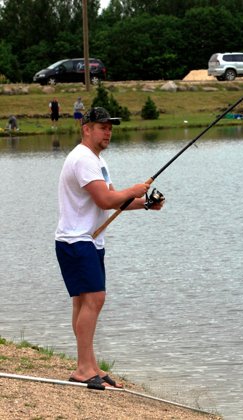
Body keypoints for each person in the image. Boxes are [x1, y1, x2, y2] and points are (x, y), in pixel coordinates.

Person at [55, 107, 164, 388]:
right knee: (95, 299)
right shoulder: (82, 159)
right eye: (102, 127)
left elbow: (116, 200)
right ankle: (83, 369)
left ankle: (90, 365)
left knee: (84, 302)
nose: (108, 132)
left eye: (110, 128)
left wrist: (146, 203)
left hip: (89, 240)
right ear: (86, 129)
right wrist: (133, 190)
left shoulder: (97, 160)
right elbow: (105, 200)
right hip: (76, 240)